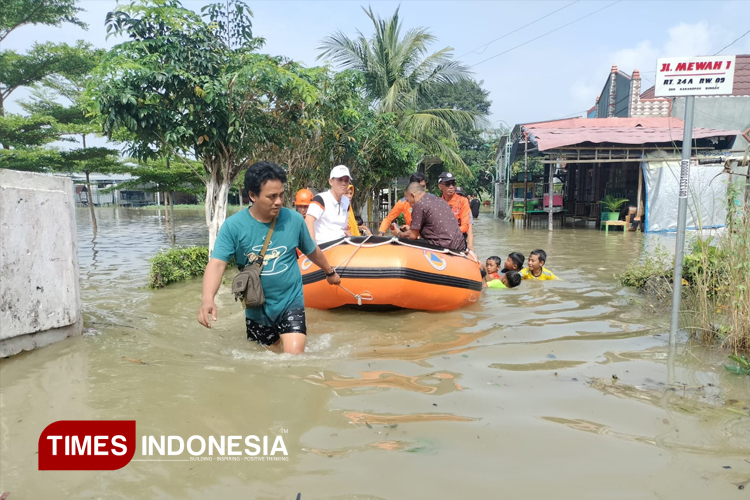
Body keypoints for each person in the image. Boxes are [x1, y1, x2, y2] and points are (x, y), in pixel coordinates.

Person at [198, 161, 341, 354]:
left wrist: (329, 271)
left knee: (293, 357)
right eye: (272, 197)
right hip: (257, 308)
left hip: (291, 301)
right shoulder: (233, 227)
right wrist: (208, 299)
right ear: (252, 195)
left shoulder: (294, 220)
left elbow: (311, 250)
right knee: (270, 358)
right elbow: (216, 264)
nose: (279, 201)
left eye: (281, 194)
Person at [392, 182, 466, 251]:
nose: (409, 204)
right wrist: (410, 229)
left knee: (404, 242)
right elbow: (436, 227)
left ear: (412, 195)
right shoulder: (441, 200)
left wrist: (399, 234)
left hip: (443, 246)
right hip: (460, 245)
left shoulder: (419, 205)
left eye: (408, 201)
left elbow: (413, 236)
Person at [305, 165, 351, 245]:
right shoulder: (320, 199)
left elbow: (342, 226)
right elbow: (308, 222)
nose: (343, 183)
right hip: (324, 246)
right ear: (331, 182)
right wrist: (314, 248)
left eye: (346, 180)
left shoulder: (346, 201)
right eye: (340, 180)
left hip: (342, 245)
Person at [437, 172, 472, 252]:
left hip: (458, 241)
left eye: (453, 184)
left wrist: (449, 233)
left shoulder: (463, 201)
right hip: (440, 241)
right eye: (448, 184)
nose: (451, 187)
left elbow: (465, 226)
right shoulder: (437, 202)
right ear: (440, 186)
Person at [455, 186, 475, 252]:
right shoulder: (445, 206)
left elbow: (470, 231)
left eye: (460, 196)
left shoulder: (467, 211)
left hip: (461, 241)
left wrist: (470, 246)